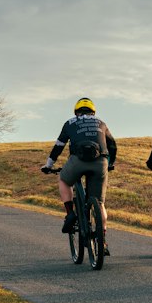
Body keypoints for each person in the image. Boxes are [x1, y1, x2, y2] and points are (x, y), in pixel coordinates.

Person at [42, 96, 118, 254]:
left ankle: (70, 213)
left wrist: (49, 165)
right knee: (100, 203)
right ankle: (102, 241)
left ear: (76, 111)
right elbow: (112, 145)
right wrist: (110, 163)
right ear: (93, 111)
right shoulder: (101, 123)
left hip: (78, 160)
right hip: (100, 162)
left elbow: (59, 146)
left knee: (64, 180)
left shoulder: (70, 123)